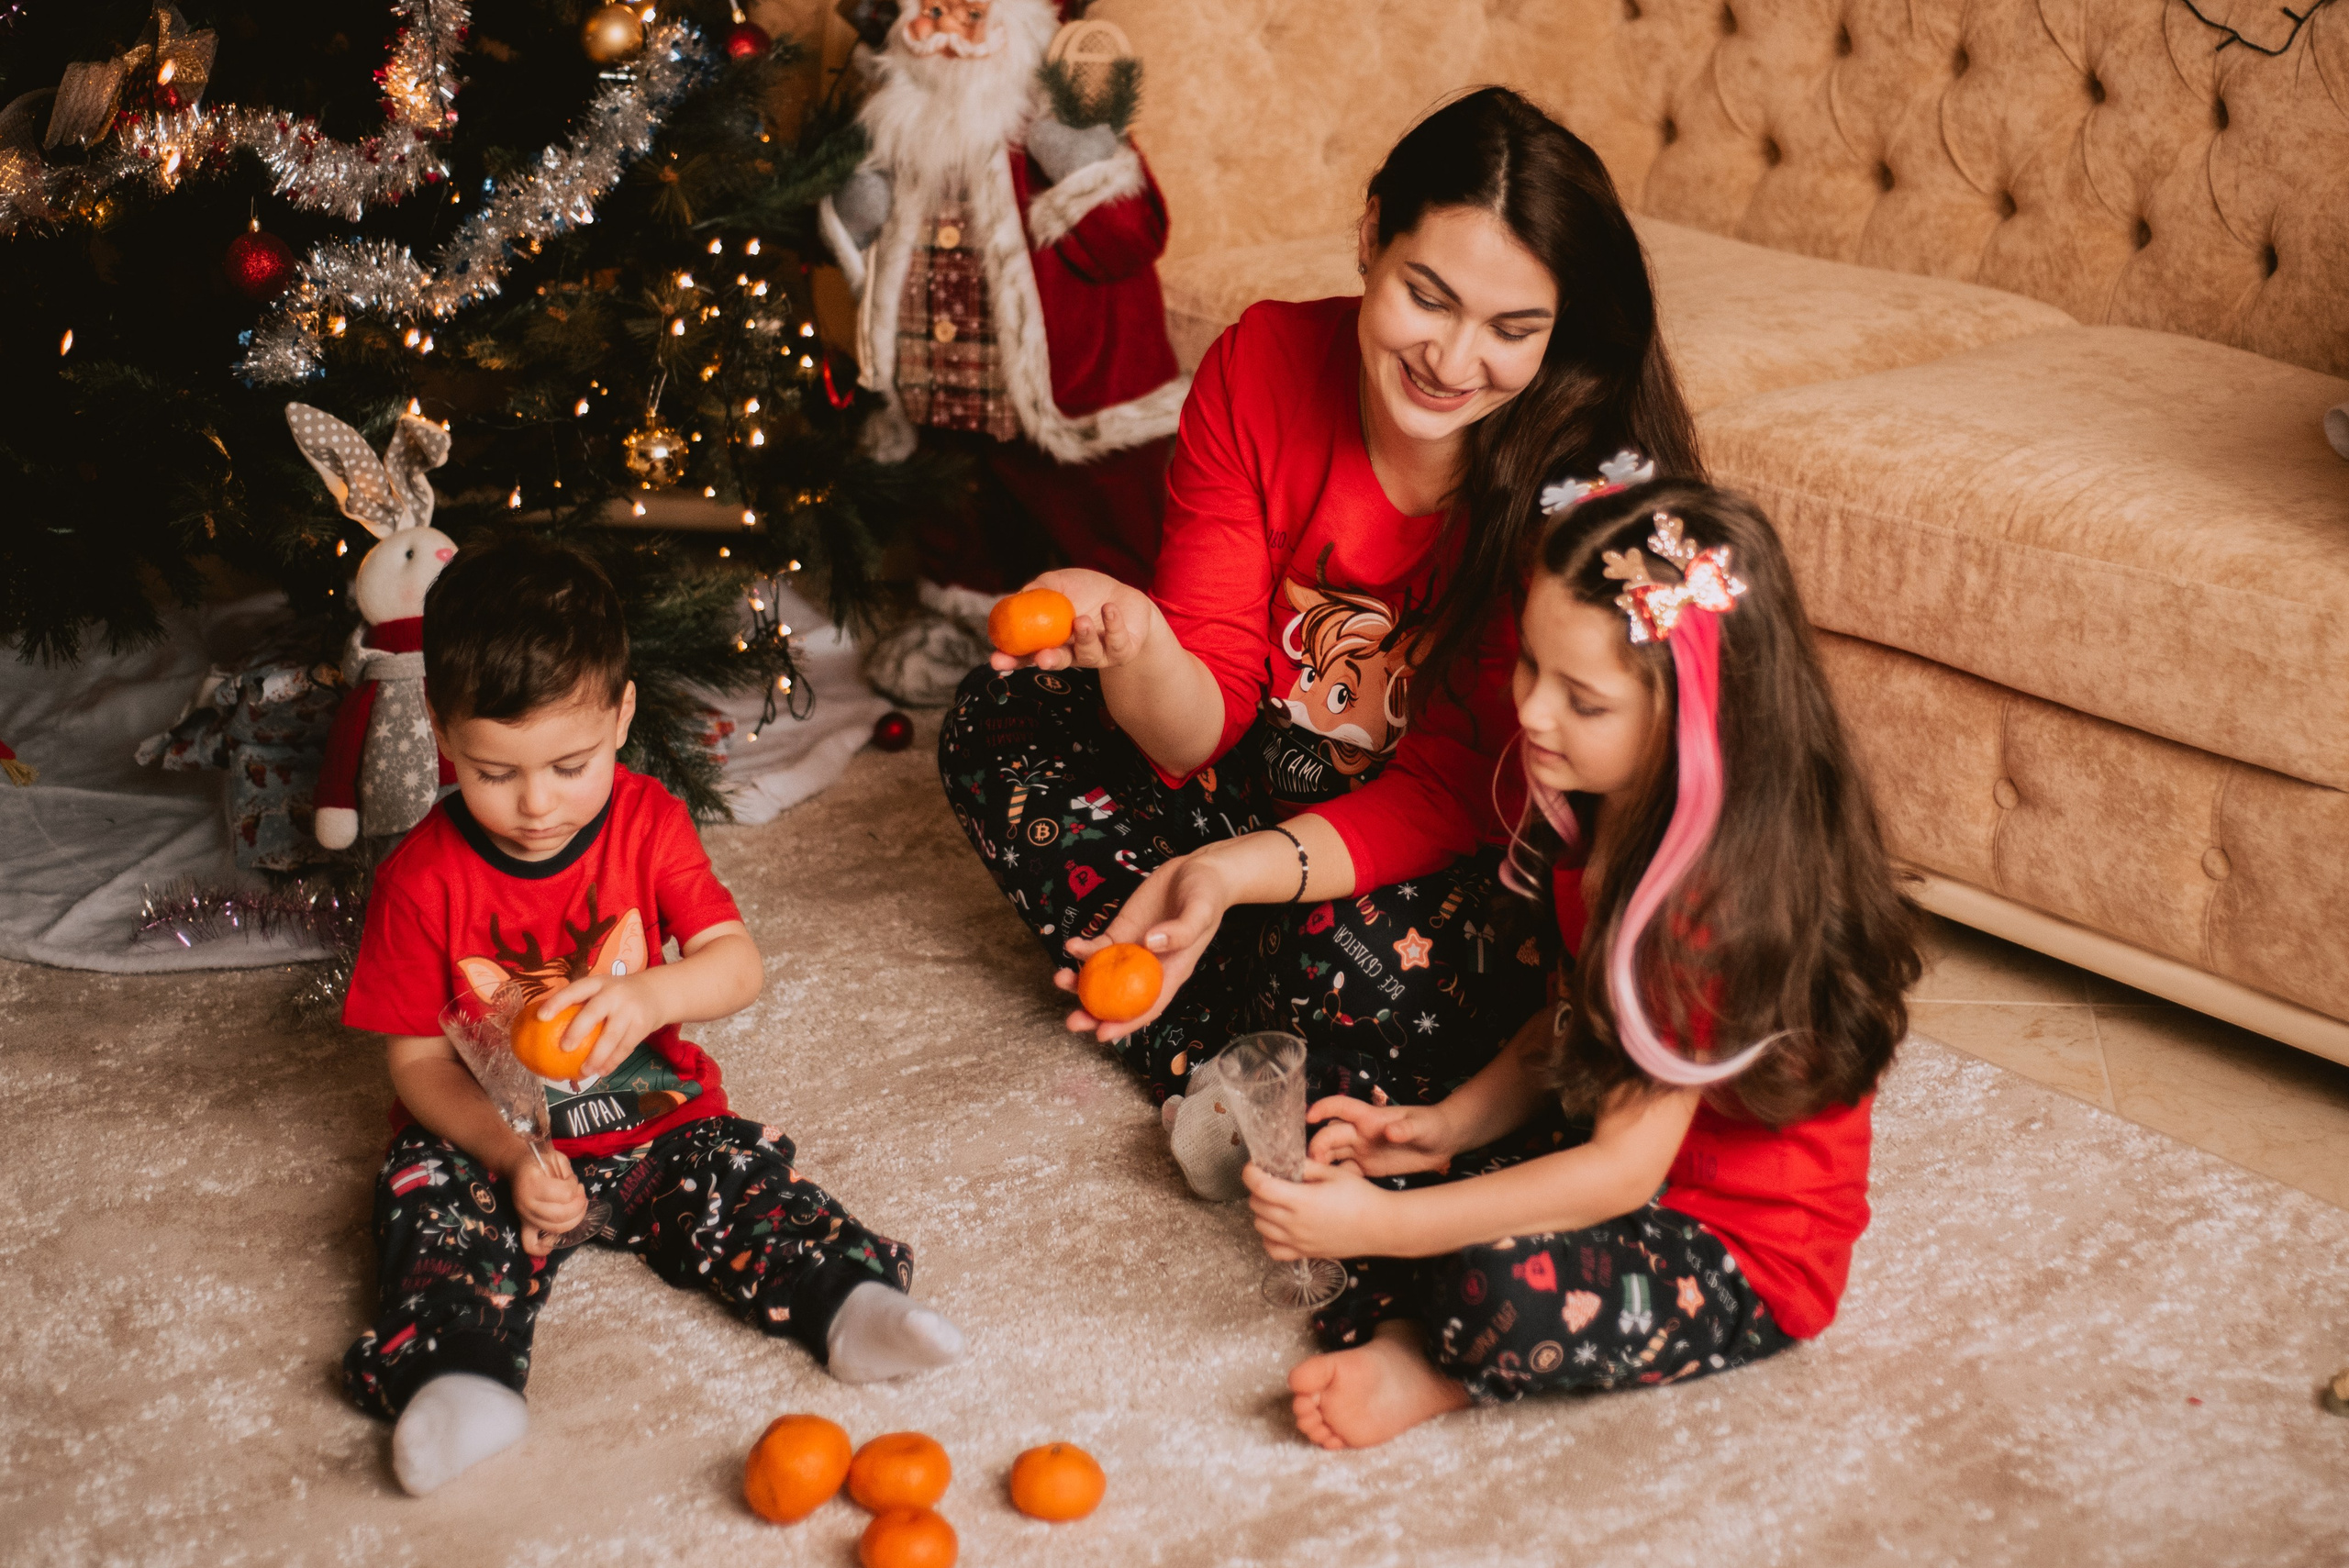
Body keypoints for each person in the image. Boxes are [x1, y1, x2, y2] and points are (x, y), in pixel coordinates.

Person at [937, 87, 1698, 1192]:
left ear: (1559, 328)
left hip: (1425, 854)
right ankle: (1251, 1060)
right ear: (1369, 236)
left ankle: (1237, 1027)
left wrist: (1222, 874)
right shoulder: (1263, 365)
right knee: (994, 724)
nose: (1452, 359)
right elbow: (1202, 729)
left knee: (1415, 967)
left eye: (1511, 330)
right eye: (1425, 297)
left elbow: (1454, 790)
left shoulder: (1571, 487)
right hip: (1249, 784)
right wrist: (1137, 637)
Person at [1238, 478, 1920, 1448]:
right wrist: (1438, 1128)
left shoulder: (1710, 906)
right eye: (1528, 664)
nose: (1533, 712)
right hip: (1600, 1137)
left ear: (1697, 718)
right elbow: (1566, 1022)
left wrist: (1377, 1228)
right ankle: (1403, 1273)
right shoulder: (1602, 808)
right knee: (1360, 1090)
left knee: (1491, 1287)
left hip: (1727, 1246)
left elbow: (1616, 1176)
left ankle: (1434, 1357)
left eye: (1583, 699)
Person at [338, 538, 963, 1496]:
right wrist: (507, 1156)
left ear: (622, 714)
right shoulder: (419, 880)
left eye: (569, 763)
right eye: (495, 771)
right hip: (499, 1141)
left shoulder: (648, 819)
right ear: (440, 728)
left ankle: (848, 1302)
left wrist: (649, 994)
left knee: (744, 1181)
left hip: (656, 1122)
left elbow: (736, 964)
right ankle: (457, 1378)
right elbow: (417, 1061)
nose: (537, 803)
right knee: (426, 1203)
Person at [820, 0, 1187, 702]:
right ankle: (962, 619)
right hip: (940, 378)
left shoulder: (1058, 119)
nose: (949, 37)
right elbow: (863, 246)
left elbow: (1130, 239)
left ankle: (1131, 637)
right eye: (930, 13)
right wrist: (858, 210)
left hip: (1070, 384)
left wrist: (1074, 154)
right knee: (958, 506)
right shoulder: (900, 125)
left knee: (1104, 510)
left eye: (968, 13)